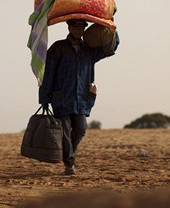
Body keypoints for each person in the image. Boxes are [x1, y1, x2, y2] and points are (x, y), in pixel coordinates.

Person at [39, 19, 119, 175]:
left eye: (82, 27)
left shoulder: (90, 50)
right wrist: (44, 98)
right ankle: (69, 164)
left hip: (81, 97)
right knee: (64, 130)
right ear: (69, 27)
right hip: (61, 97)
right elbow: (47, 74)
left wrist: (111, 27)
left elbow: (111, 48)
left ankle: (69, 154)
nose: (78, 30)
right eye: (75, 26)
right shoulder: (58, 48)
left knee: (81, 129)